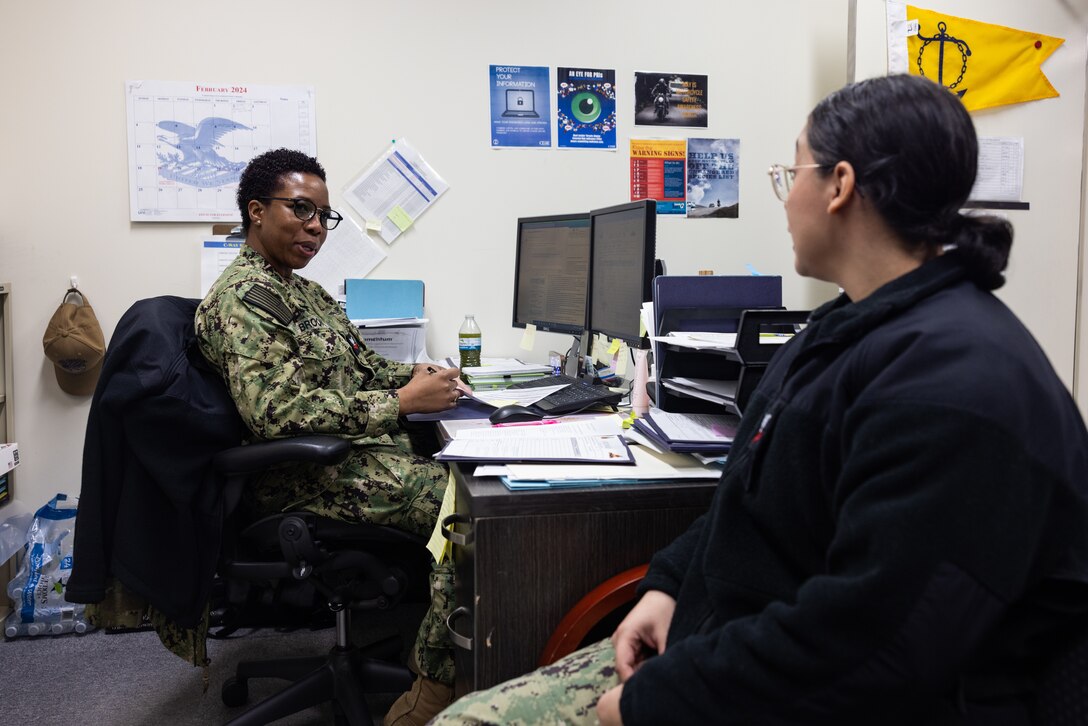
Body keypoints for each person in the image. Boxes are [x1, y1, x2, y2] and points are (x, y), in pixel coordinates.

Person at [432, 74, 1088, 725]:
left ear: (840, 185)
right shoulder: (844, 330)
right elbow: (751, 497)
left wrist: (652, 705)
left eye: (789, 172)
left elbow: (873, 650)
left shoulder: (957, 383)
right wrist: (669, 583)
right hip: (729, 645)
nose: (784, 197)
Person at [195, 148, 462, 725]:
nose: (316, 227)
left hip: (345, 457)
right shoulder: (245, 298)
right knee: (464, 507)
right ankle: (436, 686)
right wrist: (398, 404)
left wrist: (420, 379)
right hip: (298, 479)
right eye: (301, 210)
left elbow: (358, 371)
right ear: (257, 211)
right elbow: (276, 411)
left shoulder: (303, 292)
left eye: (323, 215)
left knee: (469, 471)